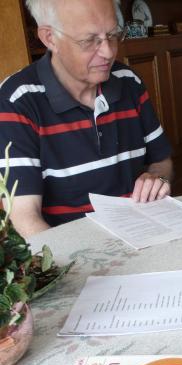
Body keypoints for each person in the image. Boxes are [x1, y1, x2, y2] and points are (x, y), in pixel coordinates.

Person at [0, 0, 173, 238]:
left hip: (142, 235)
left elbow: (162, 161)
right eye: (89, 40)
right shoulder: (16, 101)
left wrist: (157, 178)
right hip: (72, 256)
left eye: (112, 35)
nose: (108, 52)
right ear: (50, 38)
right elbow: (24, 219)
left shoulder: (128, 81)